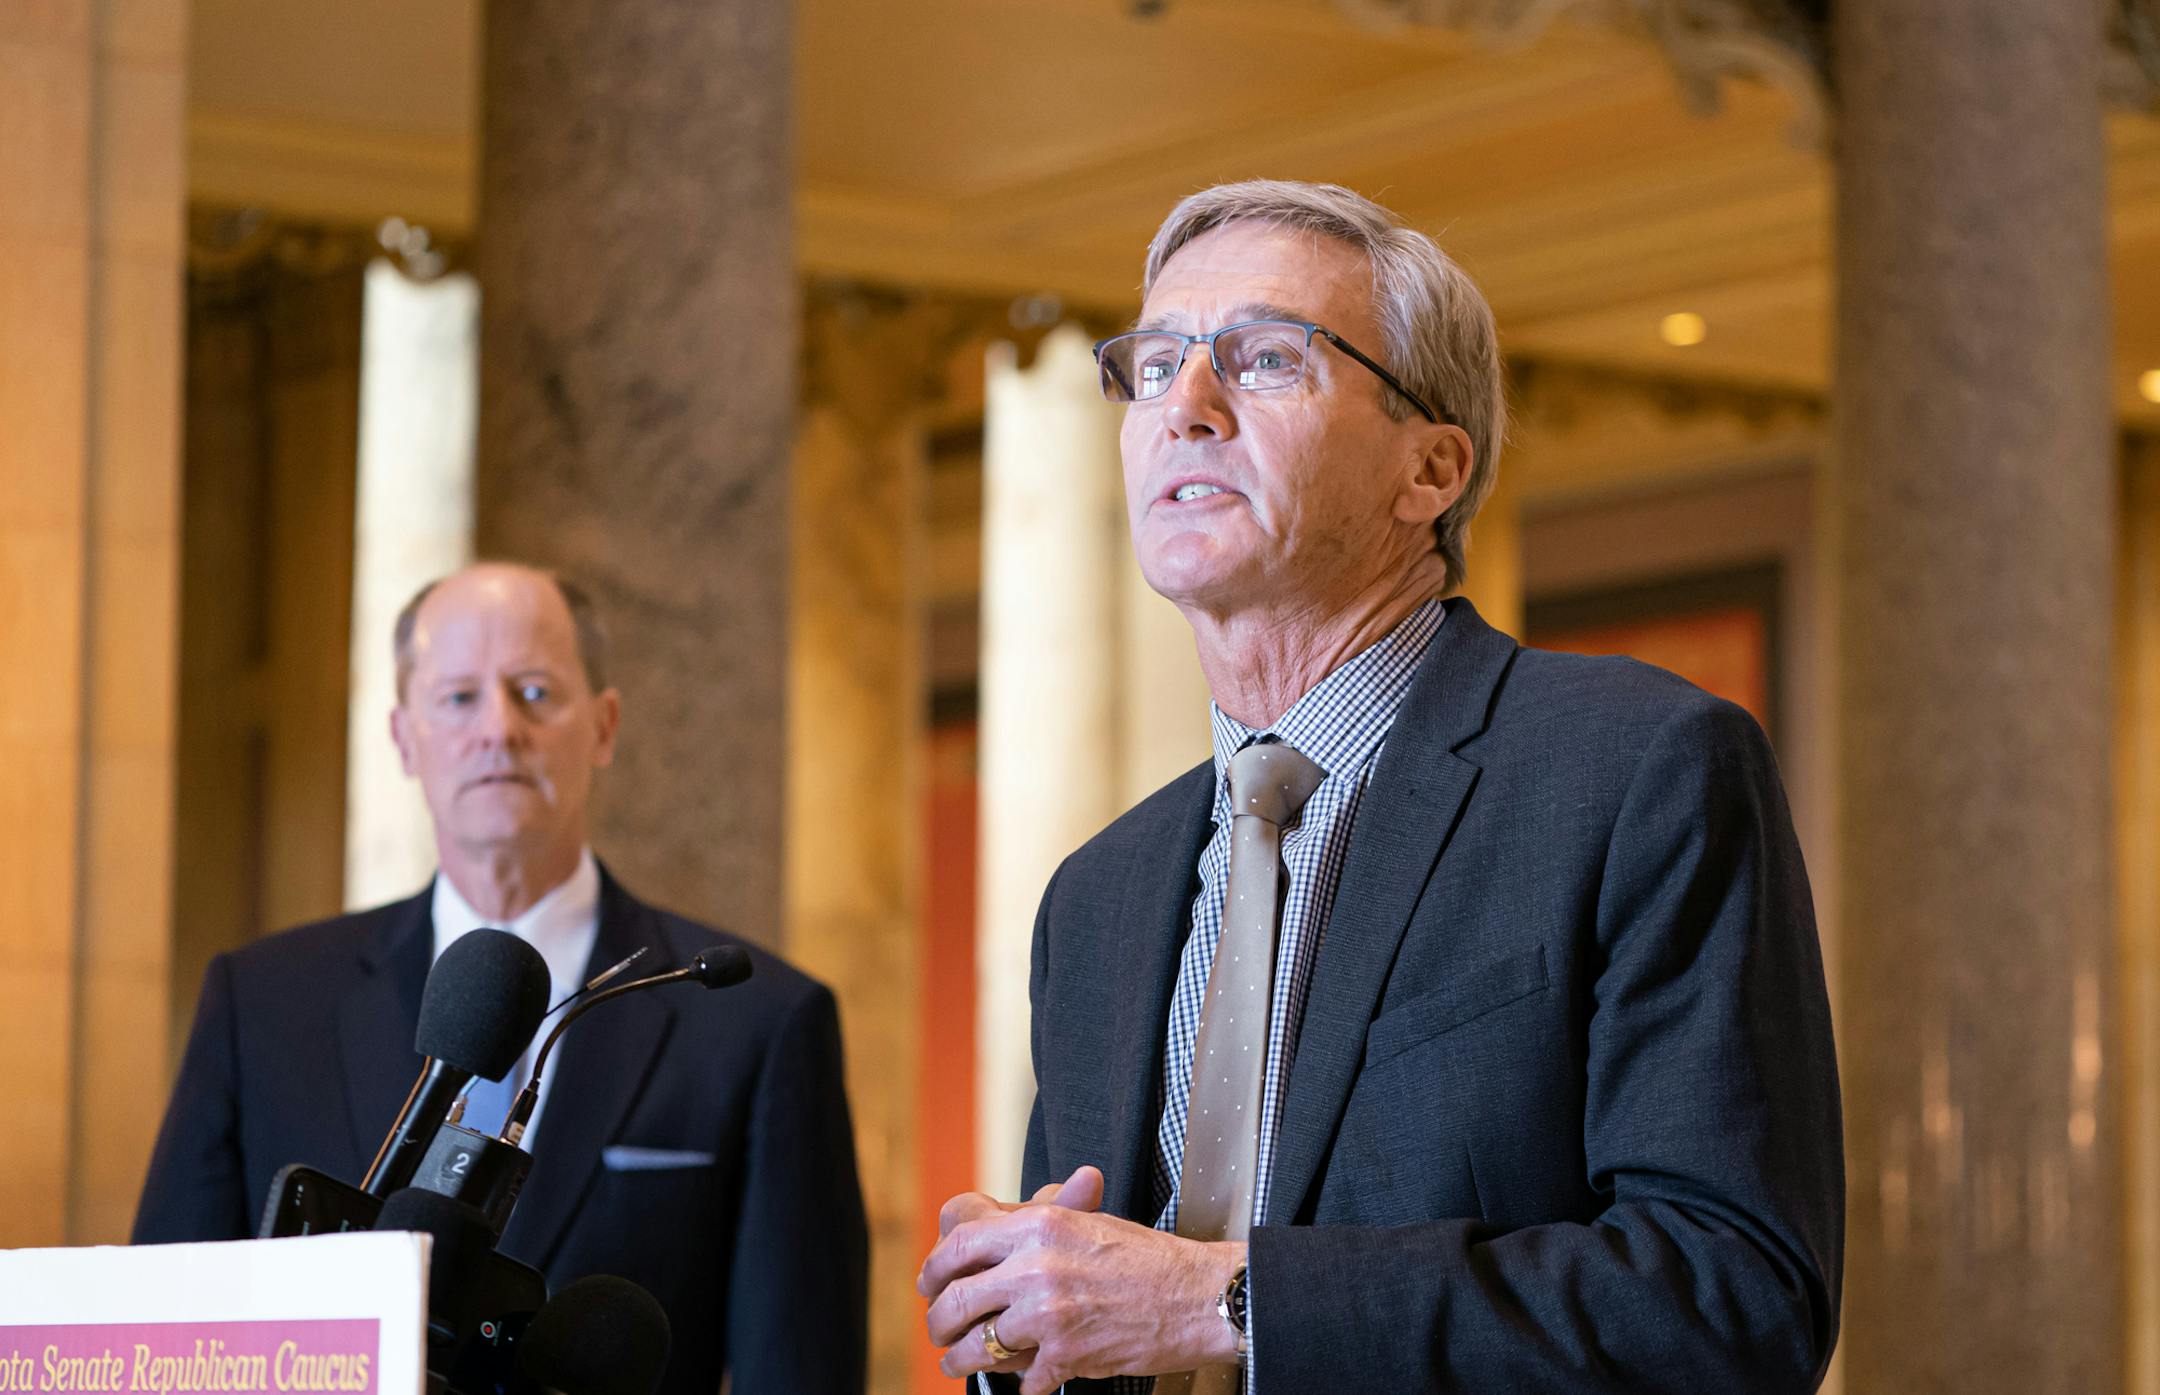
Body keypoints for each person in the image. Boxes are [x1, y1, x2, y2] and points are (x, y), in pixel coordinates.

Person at [919, 180, 1842, 1394]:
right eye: (1152, 366)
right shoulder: (1097, 897)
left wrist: (1232, 1303)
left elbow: (1734, 1296)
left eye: (1263, 360)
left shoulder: (1637, 772)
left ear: (1431, 470)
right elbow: (1106, 1328)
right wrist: (1022, 1318)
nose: (1185, 408)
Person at [136, 562, 868, 1395]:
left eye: (534, 691)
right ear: (403, 738)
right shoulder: (261, 1002)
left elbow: (802, 1370)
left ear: (604, 726)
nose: (499, 728)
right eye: (457, 698)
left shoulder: (757, 1022)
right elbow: (162, 1325)